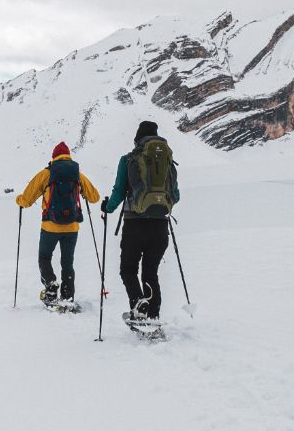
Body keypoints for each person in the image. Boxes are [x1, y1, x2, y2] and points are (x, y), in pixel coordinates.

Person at [98, 121, 179, 321]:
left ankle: (138, 304)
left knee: (128, 270)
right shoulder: (168, 161)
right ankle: (153, 316)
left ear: (137, 139)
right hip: (160, 226)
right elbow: (175, 195)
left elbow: (119, 192)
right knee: (151, 273)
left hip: (134, 225)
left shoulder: (128, 159)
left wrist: (108, 208)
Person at [13, 141, 101, 305]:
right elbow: (95, 197)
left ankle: (51, 286)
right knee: (67, 263)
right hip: (72, 227)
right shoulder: (77, 174)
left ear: (54, 157)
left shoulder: (47, 173)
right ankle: (68, 297)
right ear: (68, 156)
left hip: (50, 226)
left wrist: (19, 200)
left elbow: (26, 200)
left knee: (44, 257)